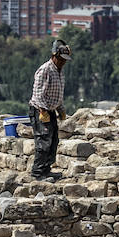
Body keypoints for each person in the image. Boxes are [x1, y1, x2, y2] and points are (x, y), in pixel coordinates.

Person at [29, 40, 71, 179]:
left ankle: (46, 170)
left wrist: (61, 108)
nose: (62, 62)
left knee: (53, 142)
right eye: (60, 59)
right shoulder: (45, 70)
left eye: (64, 60)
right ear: (54, 56)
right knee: (43, 142)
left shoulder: (59, 72)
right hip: (40, 111)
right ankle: (37, 173)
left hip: (51, 110)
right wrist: (43, 111)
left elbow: (57, 93)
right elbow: (38, 94)